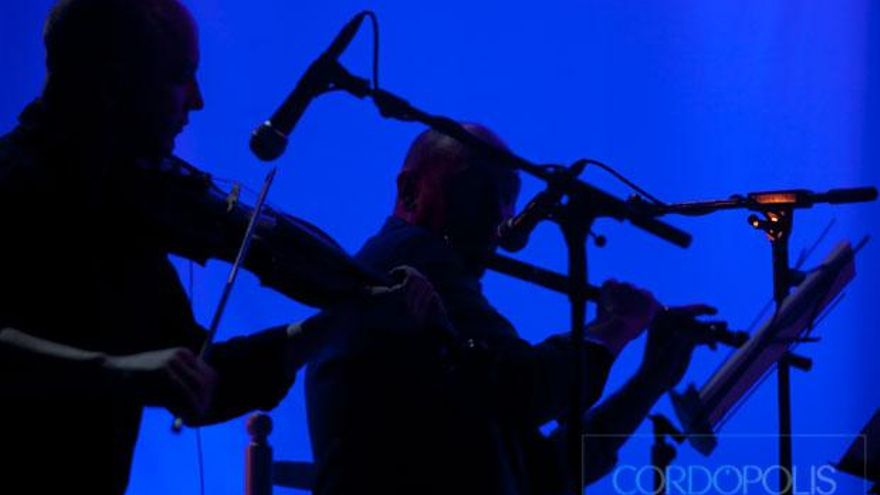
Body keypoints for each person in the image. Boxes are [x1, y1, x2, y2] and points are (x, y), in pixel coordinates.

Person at [0, 0, 443, 492]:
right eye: (180, 76)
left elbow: (203, 381)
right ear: (112, 80)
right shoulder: (13, 184)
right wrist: (113, 370)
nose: (197, 101)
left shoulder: (124, 211)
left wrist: (337, 321)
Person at [305, 124, 714, 494]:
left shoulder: (453, 334)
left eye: (508, 199)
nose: (499, 217)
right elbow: (525, 387)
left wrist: (650, 379)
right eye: (479, 190)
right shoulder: (406, 260)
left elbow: (545, 472)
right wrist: (615, 328)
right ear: (411, 191)